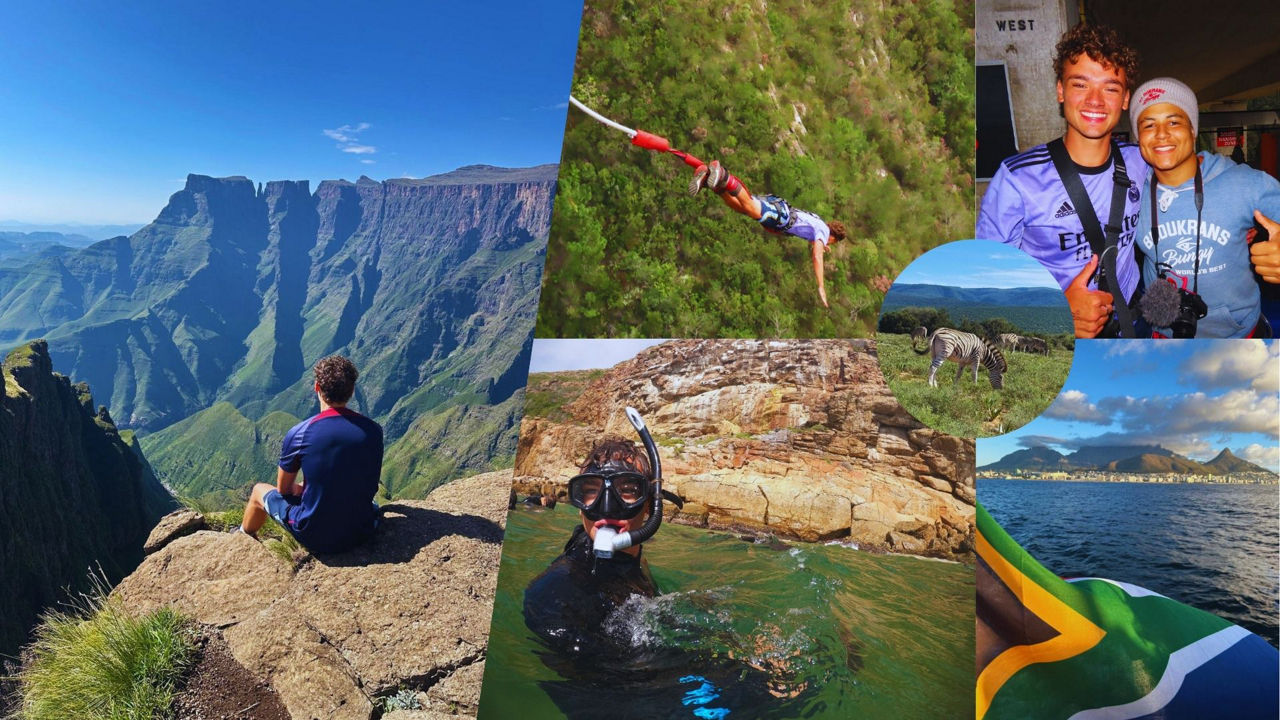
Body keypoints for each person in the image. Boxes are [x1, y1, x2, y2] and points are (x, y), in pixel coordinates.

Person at [976, 23, 1145, 338]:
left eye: (1110, 87)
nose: (1095, 100)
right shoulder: (1019, 179)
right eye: (1080, 85)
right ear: (1060, 90)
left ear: (1125, 99)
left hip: (1132, 328)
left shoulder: (1140, 161)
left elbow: (1191, 169)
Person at [1130, 77, 1280, 338]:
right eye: (1148, 124)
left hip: (1240, 340)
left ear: (1192, 129)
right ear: (1138, 136)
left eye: (1174, 121)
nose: (1162, 133)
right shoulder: (1128, 194)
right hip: (1164, 339)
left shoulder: (1243, 183)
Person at [523, 436, 661, 657]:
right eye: (590, 490)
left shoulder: (634, 560)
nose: (607, 507)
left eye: (626, 488)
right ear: (578, 507)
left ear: (649, 505)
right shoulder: (557, 594)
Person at [238, 355, 383, 553]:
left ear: (317, 387)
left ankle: (242, 537)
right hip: (363, 530)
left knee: (258, 491)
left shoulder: (300, 433)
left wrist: (302, 489)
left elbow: (283, 489)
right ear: (352, 390)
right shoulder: (373, 430)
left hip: (315, 537)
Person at [690, 159, 847, 308]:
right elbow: (817, 256)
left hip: (780, 210)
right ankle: (723, 175)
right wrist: (821, 286)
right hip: (781, 216)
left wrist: (823, 246)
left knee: (742, 208)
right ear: (833, 237)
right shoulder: (823, 233)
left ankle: (712, 182)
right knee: (750, 206)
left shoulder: (819, 223)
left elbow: (812, 237)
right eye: (830, 242)